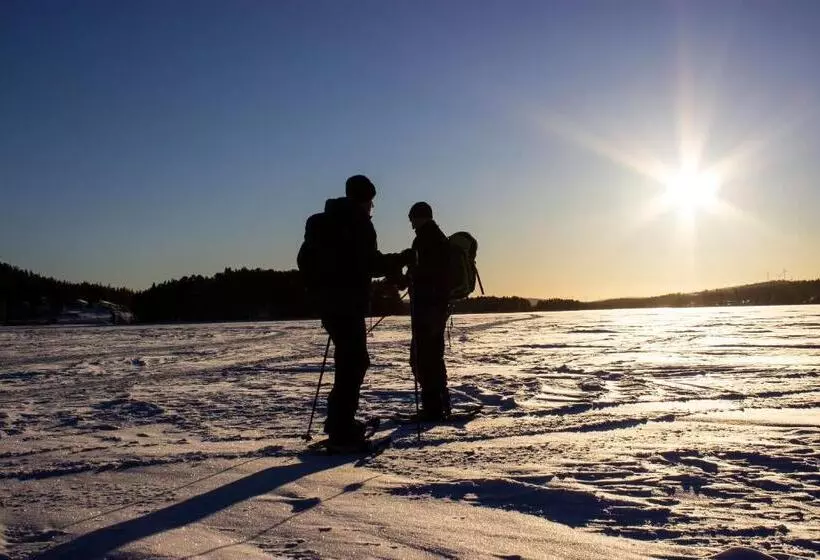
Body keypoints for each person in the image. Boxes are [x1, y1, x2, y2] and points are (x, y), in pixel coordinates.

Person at [297, 175, 399, 446]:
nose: (371, 208)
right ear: (366, 199)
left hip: (327, 304)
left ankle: (339, 422)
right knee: (354, 362)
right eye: (371, 203)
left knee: (348, 361)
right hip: (348, 303)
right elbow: (370, 263)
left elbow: (304, 260)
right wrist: (399, 260)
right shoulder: (358, 223)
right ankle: (342, 428)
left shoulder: (321, 222)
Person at [404, 201, 452, 420]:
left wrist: (409, 278)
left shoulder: (426, 239)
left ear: (420, 217)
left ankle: (433, 408)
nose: (411, 223)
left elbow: (424, 272)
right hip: (436, 307)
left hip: (427, 307)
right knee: (432, 356)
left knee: (423, 357)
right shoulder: (437, 238)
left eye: (412, 218)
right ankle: (440, 404)